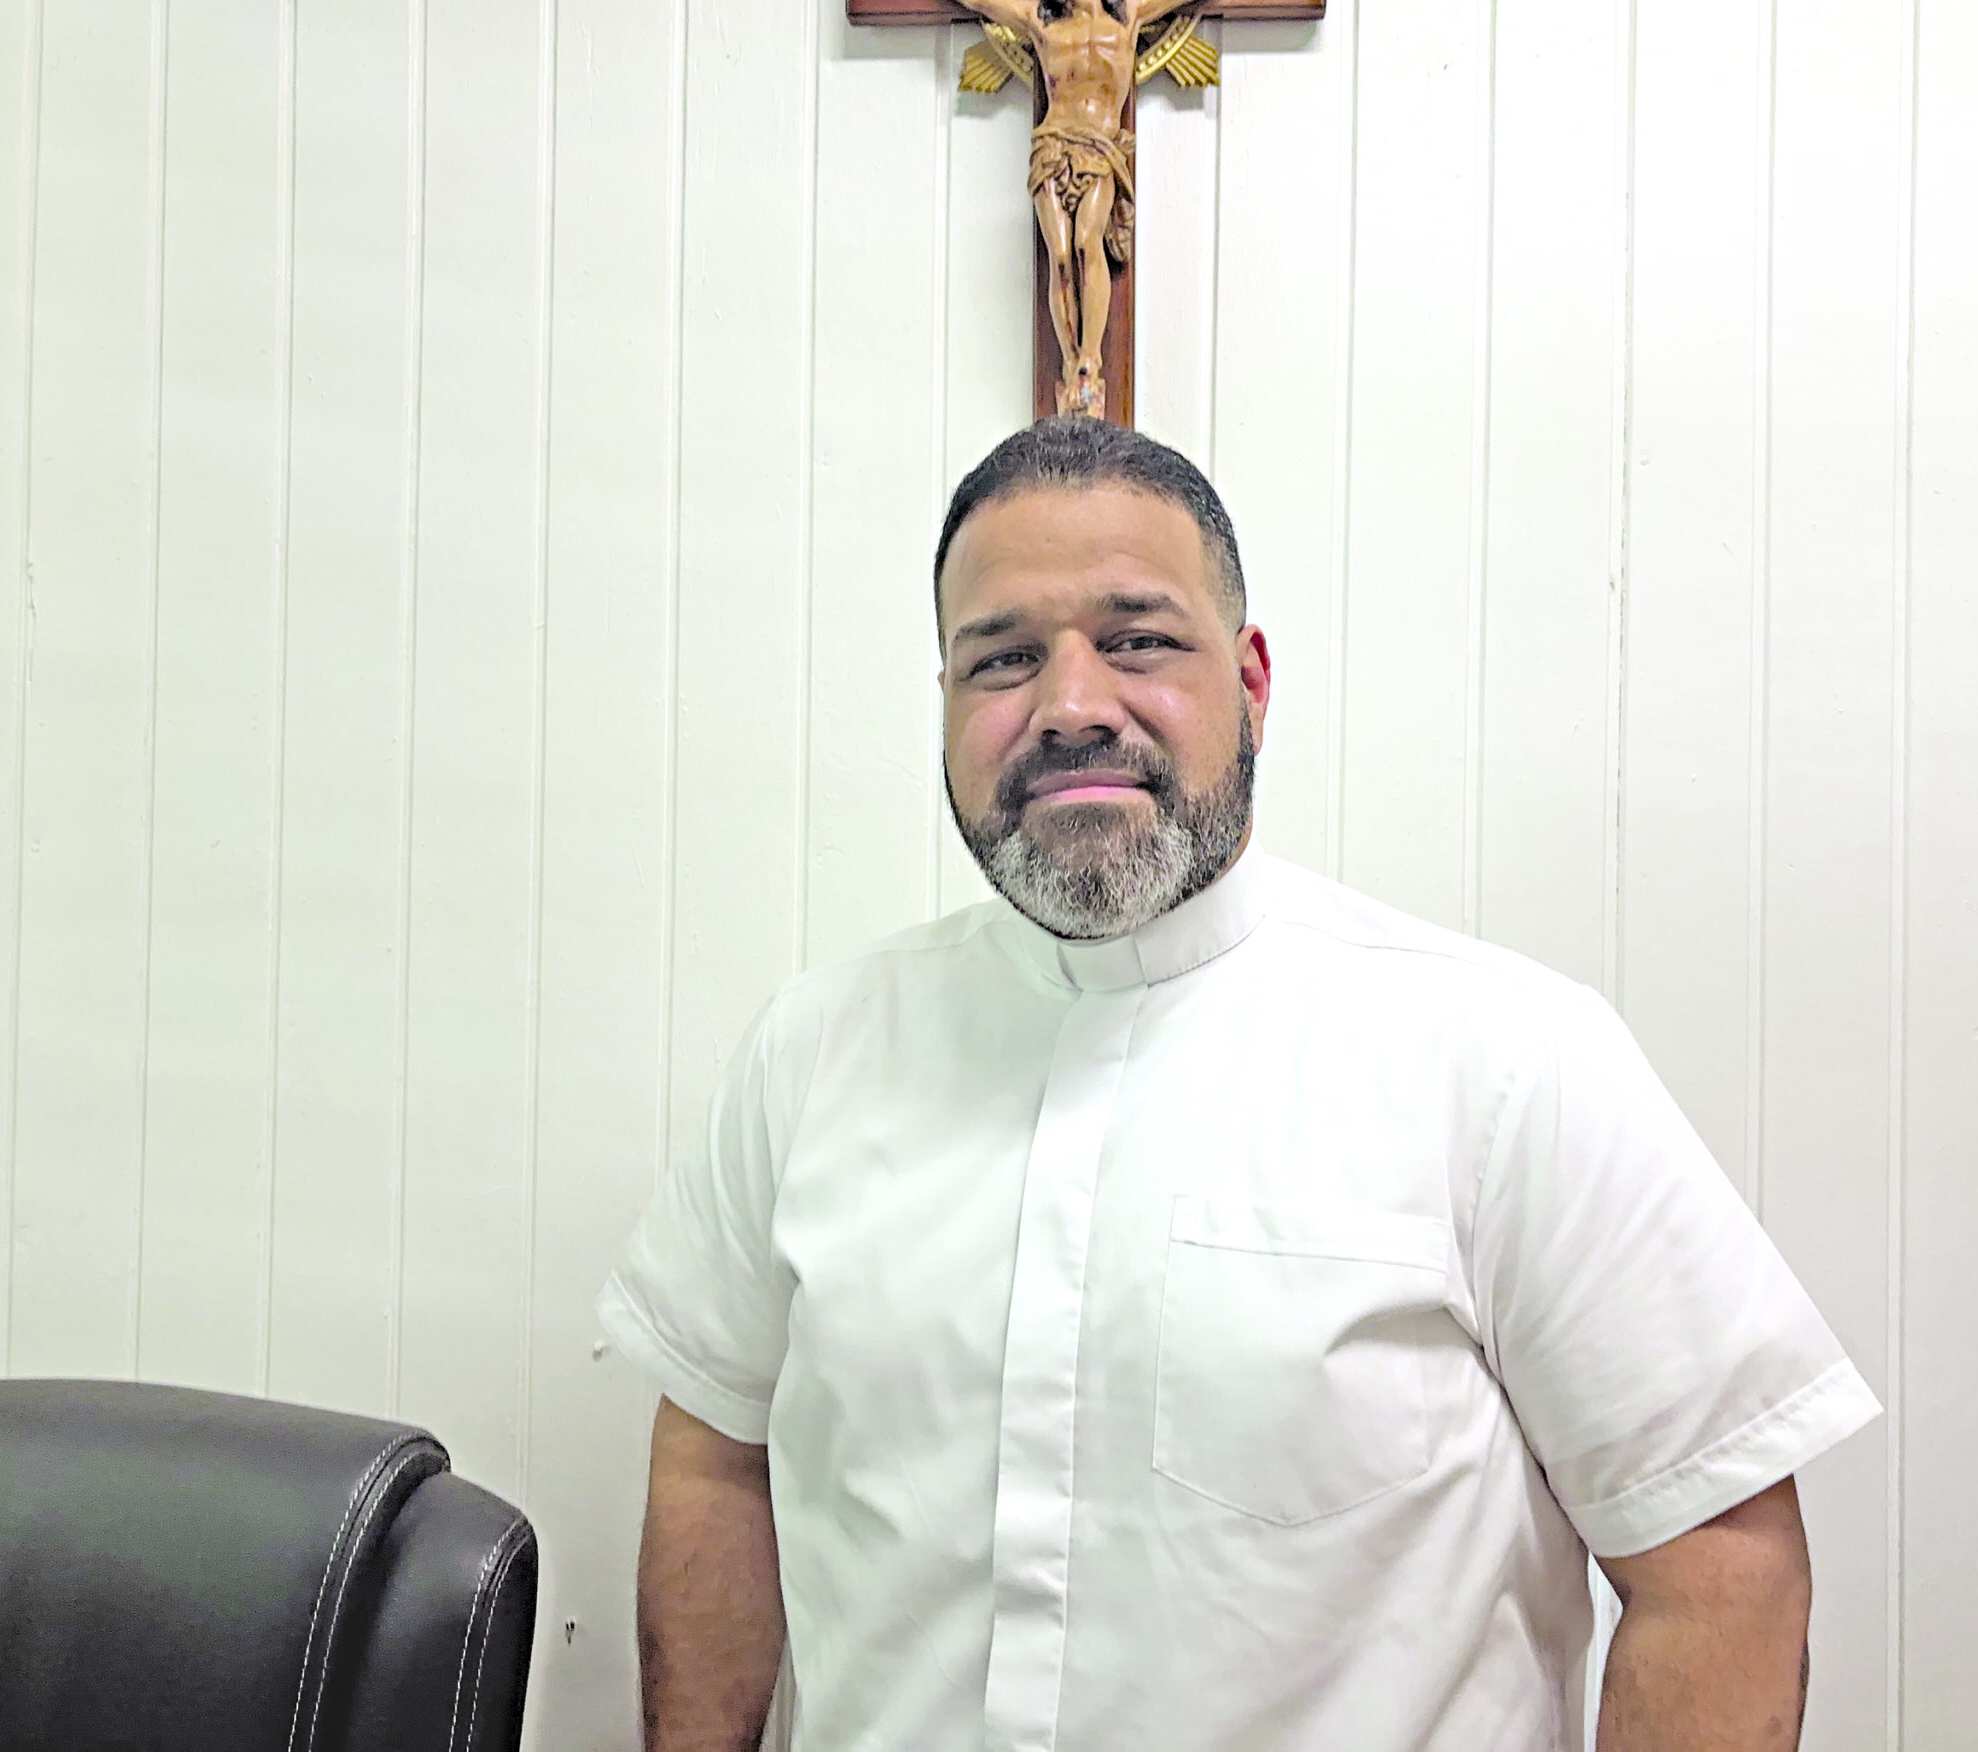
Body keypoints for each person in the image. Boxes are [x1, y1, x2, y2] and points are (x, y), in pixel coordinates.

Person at [601, 417, 1879, 1751]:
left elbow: (1719, 1577)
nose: (1071, 705)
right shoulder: (811, 1054)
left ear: (1252, 681)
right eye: (1003, 658)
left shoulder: (1501, 1062)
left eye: (1138, 641)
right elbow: (714, 1467)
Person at [893, 0, 1279, 417]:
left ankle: (1091, 360)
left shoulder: (1130, 14)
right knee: (1059, 256)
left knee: (1085, 242)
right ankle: (1071, 361)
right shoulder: (1041, 23)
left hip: (1099, 147)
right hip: (1052, 146)